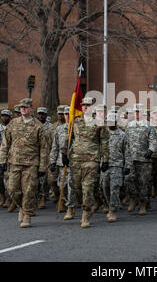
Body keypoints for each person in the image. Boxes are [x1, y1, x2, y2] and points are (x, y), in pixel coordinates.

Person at [0, 98, 49, 228]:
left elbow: (44, 148)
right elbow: (5, 143)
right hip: (14, 162)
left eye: (26, 107)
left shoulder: (38, 126)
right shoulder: (13, 123)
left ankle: (27, 215)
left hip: (31, 163)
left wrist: (43, 167)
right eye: (21, 107)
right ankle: (21, 206)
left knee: (28, 190)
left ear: (31, 109)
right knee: (12, 189)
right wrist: (2, 160)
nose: (23, 109)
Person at [61, 97, 109, 228]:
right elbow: (69, 138)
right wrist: (63, 153)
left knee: (87, 188)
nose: (85, 107)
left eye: (88, 105)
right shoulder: (76, 121)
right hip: (76, 159)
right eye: (83, 105)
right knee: (76, 187)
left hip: (92, 160)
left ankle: (86, 214)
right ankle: (88, 204)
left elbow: (104, 142)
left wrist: (106, 159)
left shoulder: (99, 123)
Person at [124, 103, 157, 215]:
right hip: (131, 158)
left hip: (144, 159)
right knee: (129, 179)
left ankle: (143, 204)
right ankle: (134, 198)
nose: (137, 113)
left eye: (139, 111)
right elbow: (126, 142)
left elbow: (153, 141)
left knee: (143, 182)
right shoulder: (129, 125)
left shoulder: (149, 125)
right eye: (135, 111)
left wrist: (151, 150)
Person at [101, 113, 128, 222]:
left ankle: (113, 210)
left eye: (113, 121)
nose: (111, 124)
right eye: (109, 122)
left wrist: (128, 166)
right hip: (104, 165)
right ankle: (108, 204)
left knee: (114, 188)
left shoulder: (122, 135)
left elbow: (127, 151)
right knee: (105, 187)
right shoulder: (103, 134)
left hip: (117, 165)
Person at [48, 105, 68, 211]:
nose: (64, 116)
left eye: (66, 114)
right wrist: (52, 161)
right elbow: (53, 146)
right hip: (59, 160)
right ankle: (62, 199)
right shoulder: (56, 128)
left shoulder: (76, 128)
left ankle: (71, 203)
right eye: (62, 114)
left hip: (74, 161)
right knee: (57, 183)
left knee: (73, 185)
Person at [0, 110, 13, 208]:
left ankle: (9, 198)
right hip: (0, 156)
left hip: (11, 157)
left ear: (10, 117)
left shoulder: (13, 127)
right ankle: (2, 194)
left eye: (6, 116)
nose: (4, 118)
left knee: (9, 179)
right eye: (2, 116)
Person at [36, 107, 51, 209]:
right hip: (34, 155)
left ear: (46, 115)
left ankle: (43, 196)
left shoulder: (50, 127)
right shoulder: (34, 125)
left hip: (46, 154)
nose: (41, 116)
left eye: (43, 114)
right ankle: (36, 196)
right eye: (39, 114)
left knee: (44, 178)